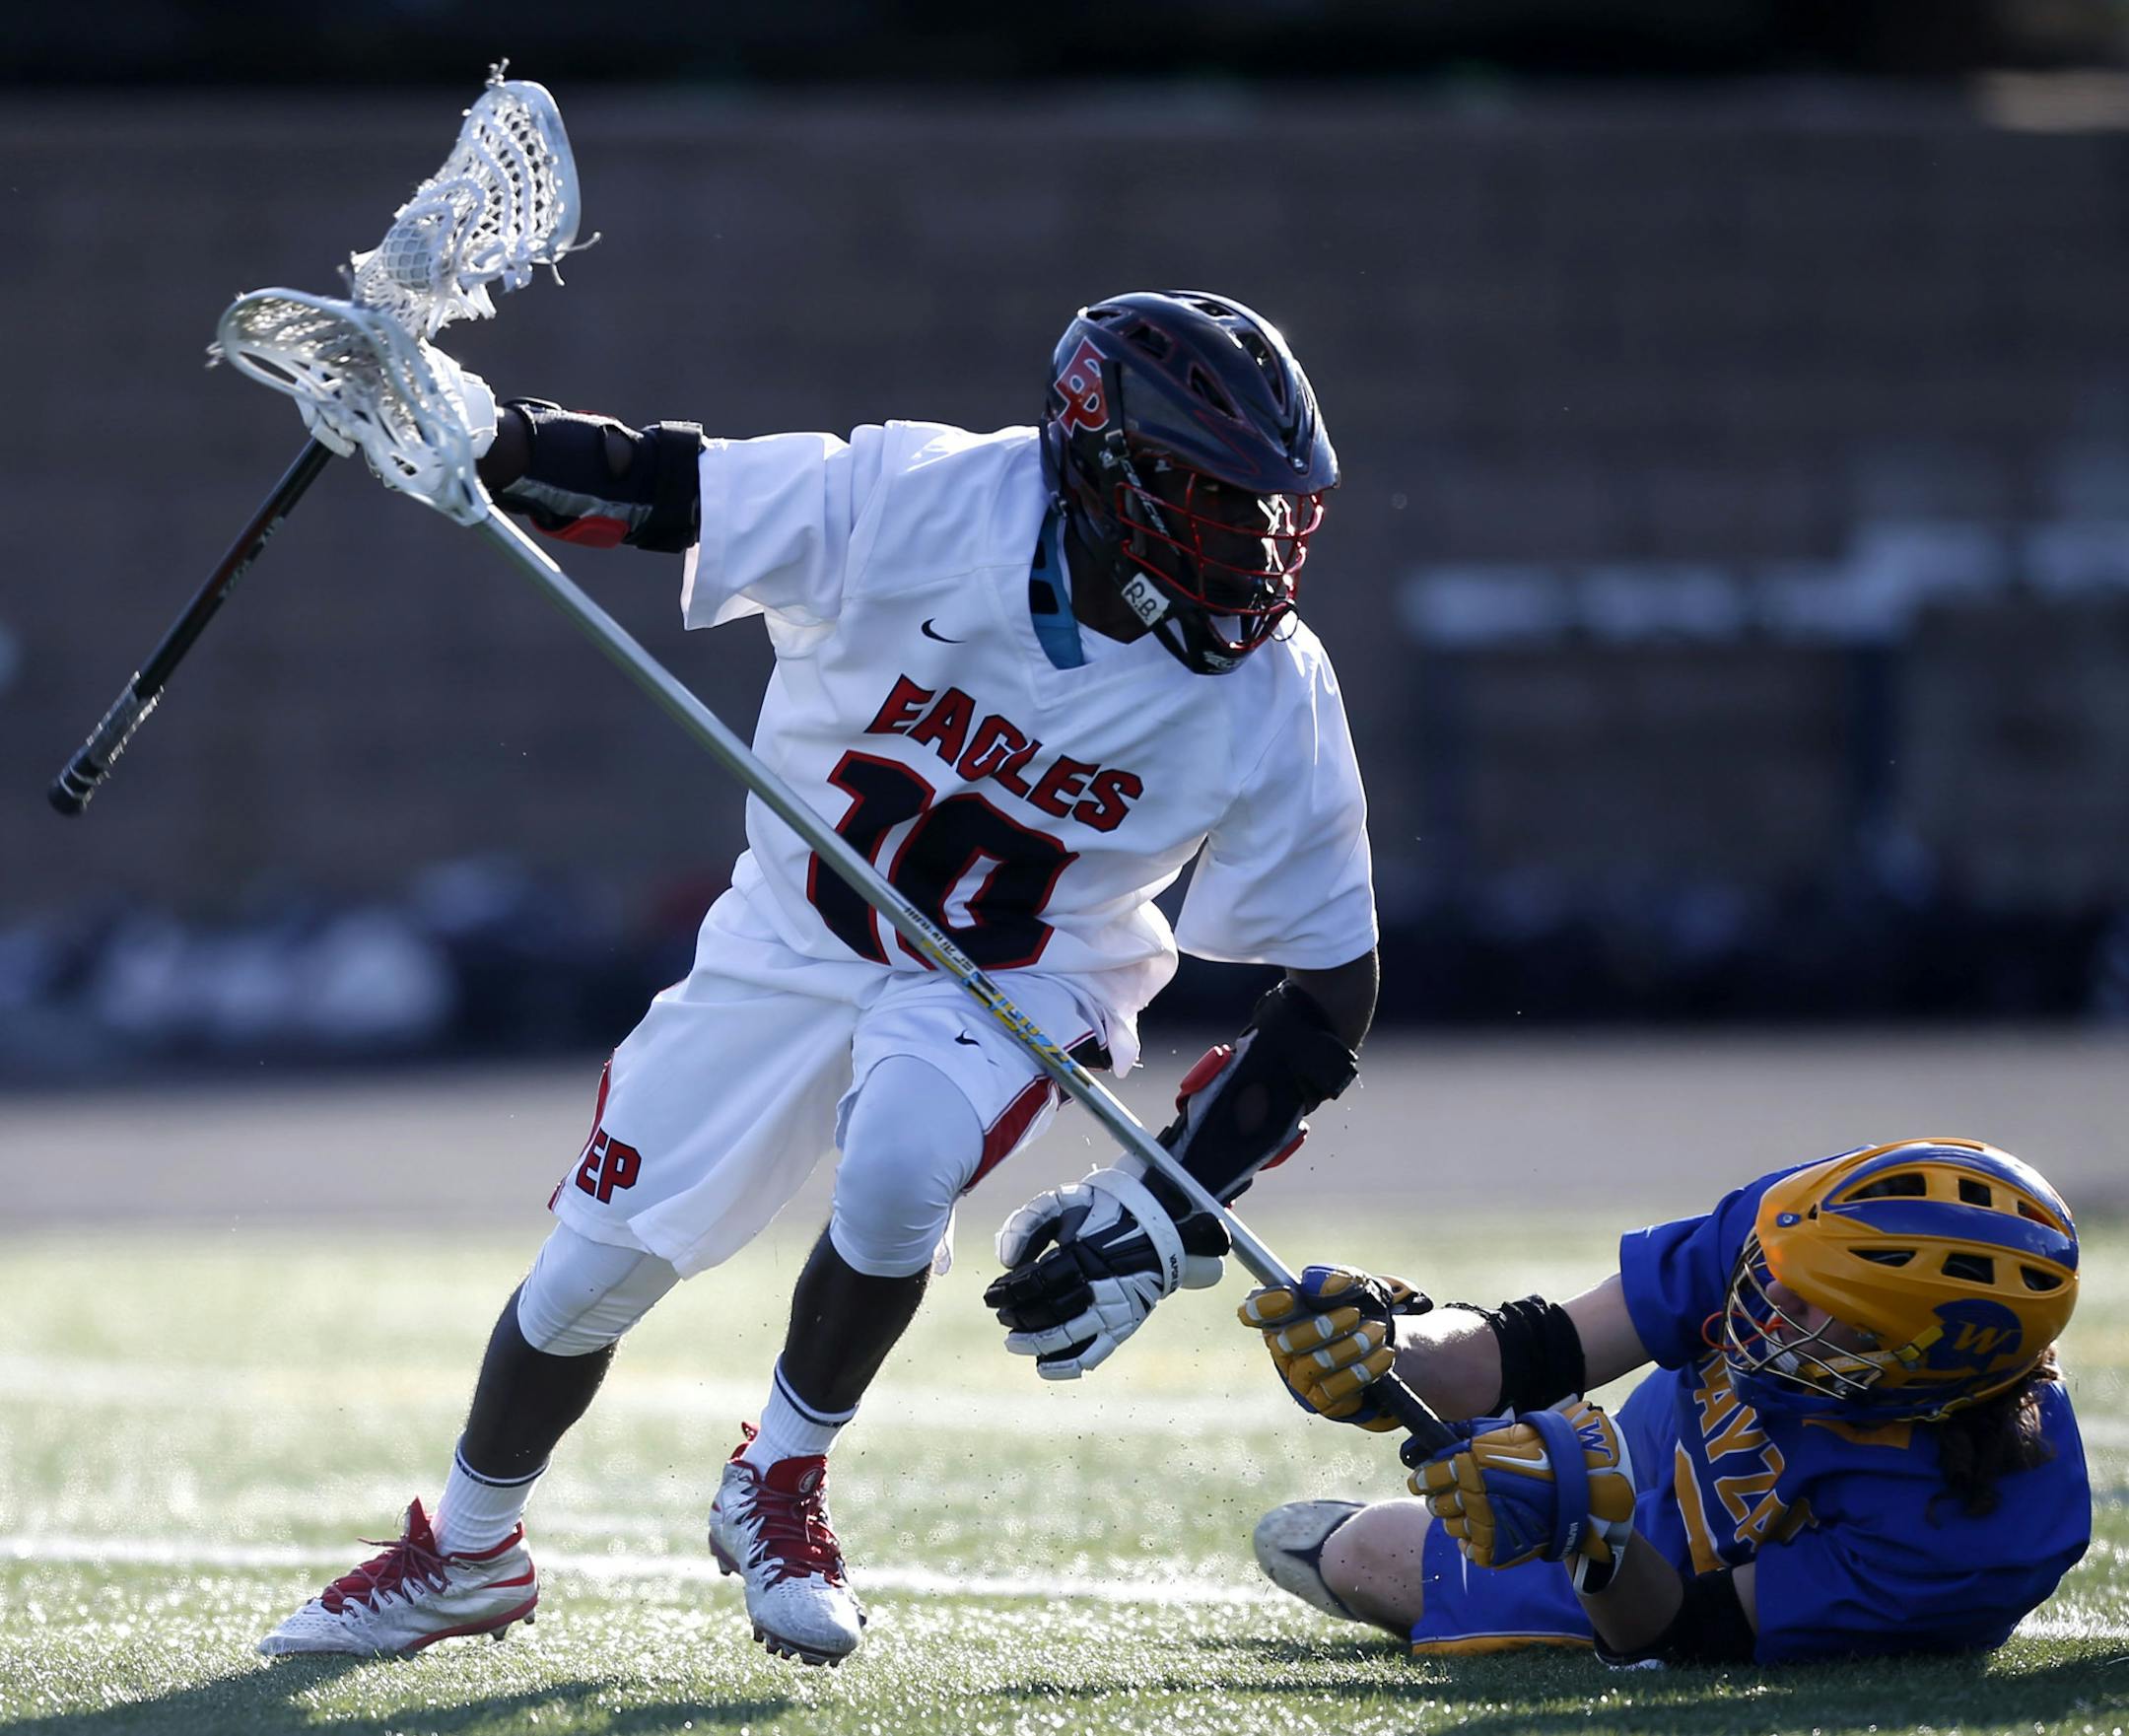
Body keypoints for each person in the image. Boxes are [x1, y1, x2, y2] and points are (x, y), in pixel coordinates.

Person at [258, 290, 1381, 1666]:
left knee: (905, 1153)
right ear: (1098, 467)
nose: (1253, 542)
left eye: (1269, 504)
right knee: (586, 1276)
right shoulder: (924, 499)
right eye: (1212, 496)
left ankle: (779, 1479)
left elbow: (1332, 988)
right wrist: (470, 431)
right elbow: (668, 487)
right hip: (796, 934)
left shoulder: (1279, 688)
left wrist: (1172, 1202)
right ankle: (469, 1551)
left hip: (1022, 972)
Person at [1244, 1139, 2089, 1665]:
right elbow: (1547, 1345)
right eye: (1782, 1274)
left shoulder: (1974, 1538)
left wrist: (1591, 1542)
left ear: (1921, 1371)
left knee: (1361, 1552)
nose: (1768, 1302)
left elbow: (1693, 1637)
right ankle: (1537, 1463)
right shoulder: (1797, 1225)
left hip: (1673, 1570)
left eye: (1817, 1307)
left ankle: (1533, 1488)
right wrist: (1389, 1354)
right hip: (1644, 1445)